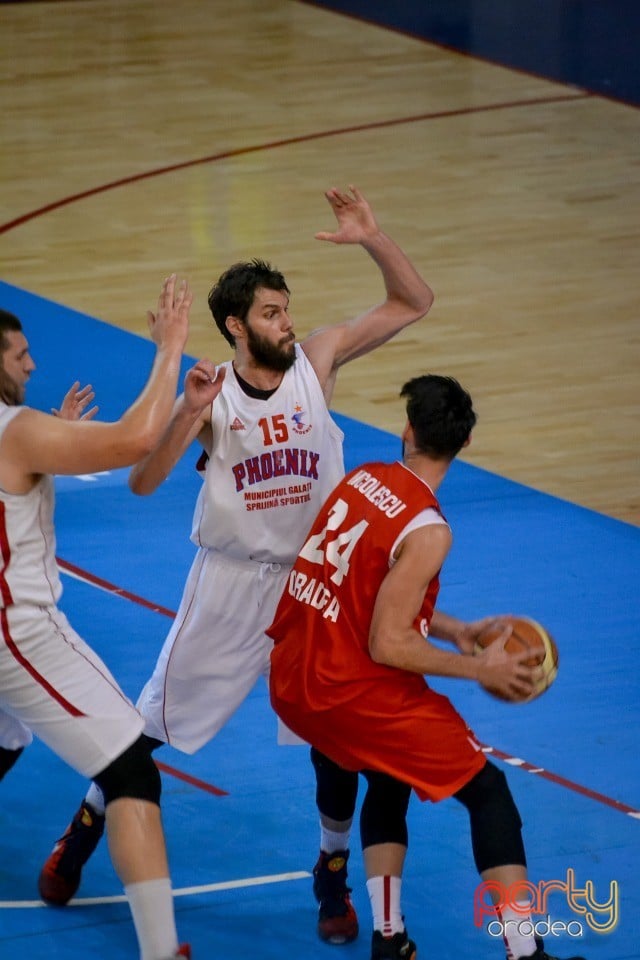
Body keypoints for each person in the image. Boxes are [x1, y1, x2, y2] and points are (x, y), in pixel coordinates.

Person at [37, 185, 435, 936]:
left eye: (286, 309)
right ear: (235, 326)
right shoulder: (211, 397)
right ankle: (82, 832)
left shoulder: (317, 360)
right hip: (229, 586)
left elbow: (413, 302)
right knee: (148, 727)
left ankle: (332, 869)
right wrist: (185, 413)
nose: (286, 323)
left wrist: (374, 238)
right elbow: (143, 481)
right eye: (270, 313)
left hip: (316, 585)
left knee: (334, 742)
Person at [268, 374, 586, 960]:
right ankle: (526, 953)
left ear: (407, 430)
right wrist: (480, 668)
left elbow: (365, 589)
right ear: (464, 445)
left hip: (293, 677)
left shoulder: (363, 479)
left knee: (386, 771)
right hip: (348, 689)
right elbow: (388, 643)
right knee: (489, 792)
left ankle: (388, 937)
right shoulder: (430, 530)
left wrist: (459, 630)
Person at [0, 286, 193, 960]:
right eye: (19, 355)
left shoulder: (20, 430)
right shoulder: (15, 430)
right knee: (132, 772)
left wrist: (50, 431)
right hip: (16, 635)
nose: (30, 364)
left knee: (4, 740)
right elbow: (136, 438)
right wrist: (170, 346)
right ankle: (162, 952)